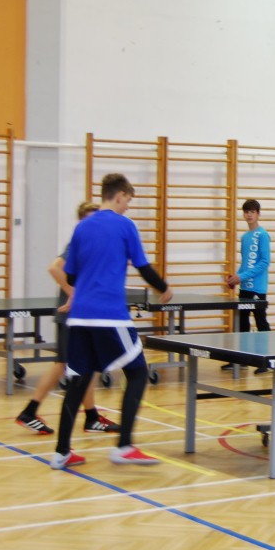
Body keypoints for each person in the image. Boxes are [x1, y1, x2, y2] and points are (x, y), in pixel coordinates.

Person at [50, 173, 172, 469]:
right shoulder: (124, 225)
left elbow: (72, 275)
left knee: (78, 382)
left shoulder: (82, 227)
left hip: (80, 318)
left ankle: (61, 452)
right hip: (109, 315)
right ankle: (124, 446)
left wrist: (76, 295)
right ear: (119, 196)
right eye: (128, 200)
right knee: (138, 373)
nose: (128, 206)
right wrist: (164, 288)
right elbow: (143, 266)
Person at [15, 201, 120, 435]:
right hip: (71, 316)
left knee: (81, 366)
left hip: (81, 316)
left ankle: (91, 417)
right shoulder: (77, 243)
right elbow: (54, 268)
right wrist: (73, 293)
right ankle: (30, 412)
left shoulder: (91, 244)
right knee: (65, 365)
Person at [224, 198, 271, 375]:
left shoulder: (263, 235)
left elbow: (264, 262)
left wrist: (241, 276)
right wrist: (235, 278)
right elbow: (246, 263)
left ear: (258, 214)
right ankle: (240, 359)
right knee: (242, 323)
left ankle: (266, 360)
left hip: (257, 289)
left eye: (252, 212)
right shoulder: (245, 237)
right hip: (245, 288)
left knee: (261, 322)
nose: (249, 215)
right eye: (246, 212)